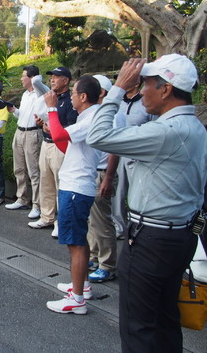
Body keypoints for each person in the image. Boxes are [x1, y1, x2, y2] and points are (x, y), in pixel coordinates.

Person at [87, 54, 207, 352]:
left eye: (147, 84)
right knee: (165, 320)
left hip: (151, 240)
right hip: (180, 235)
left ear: (166, 89)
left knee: (138, 326)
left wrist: (117, 89)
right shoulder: (195, 127)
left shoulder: (164, 132)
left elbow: (98, 136)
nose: (141, 92)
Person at [44, 75, 102, 315]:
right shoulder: (88, 117)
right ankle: (82, 286)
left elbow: (59, 136)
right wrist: (52, 125)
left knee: (75, 243)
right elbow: (66, 145)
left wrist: (51, 109)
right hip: (77, 184)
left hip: (76, 187)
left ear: (84, 96)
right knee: (79, 239)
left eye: (74, 94)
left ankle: (77, 299)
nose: (71, 98)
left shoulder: (90, 119)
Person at [28, 66, 78, 237]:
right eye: (51, 77)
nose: (52, 80)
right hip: (46, 143)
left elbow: (71, 126)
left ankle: (60, 222)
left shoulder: (70, 100)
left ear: (66, 80)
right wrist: (42, 123)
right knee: (46, 182)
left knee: (60, 185)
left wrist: (54, 128)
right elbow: (46, 118)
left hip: (60, 146)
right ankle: (46, 217)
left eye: (57, 77)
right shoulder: (49, 97)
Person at [86, 75, 125, 284]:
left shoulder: (114, 114)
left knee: (102, 221)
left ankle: (108, 265)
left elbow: (114, 149)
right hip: (94, 170)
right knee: (93, 220)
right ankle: (94, 256)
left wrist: (108, 177)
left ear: (102, 92)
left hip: (103, 172)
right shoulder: (98, 112)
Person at [111, 77, 155, 238]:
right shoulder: (118, 102)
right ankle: (119, 227)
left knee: (139, 191)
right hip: (118, 151)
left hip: (137, 154)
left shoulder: (146, 103)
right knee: (118, 192)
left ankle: (140, 227)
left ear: (137, 83)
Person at [5, 65, 49, 218]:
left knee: (34, 171)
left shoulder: (41, 92)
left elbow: (37, 81)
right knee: (19, 168)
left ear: (31, 78)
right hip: (19, 132)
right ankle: (22, 198)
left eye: (23, 76)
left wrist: (35, 77)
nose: (21, 79)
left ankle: (37, 205)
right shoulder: (25, 95)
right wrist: (14, 111)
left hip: (33, 133)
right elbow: (23, 115)